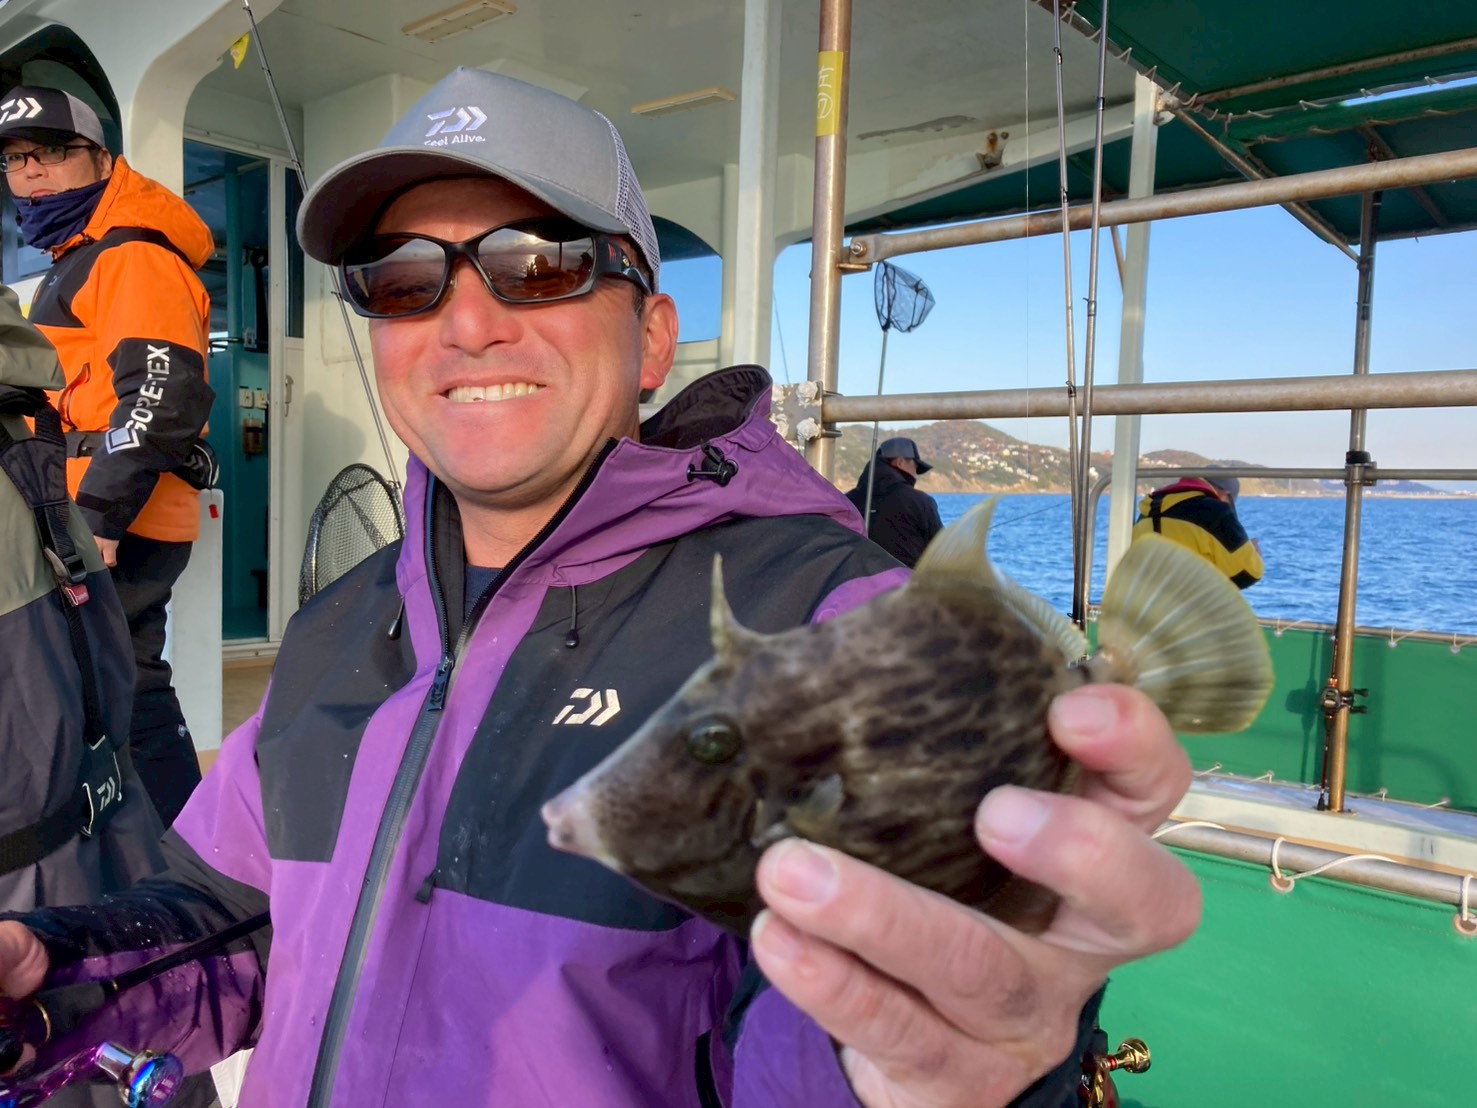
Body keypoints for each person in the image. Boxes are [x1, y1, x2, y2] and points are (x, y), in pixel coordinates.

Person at [0, 68, 1200, 1108]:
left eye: (541, 264)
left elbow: (867, 1024)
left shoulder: (833, 626)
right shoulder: (337, 624)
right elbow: (237, 920)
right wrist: (49, 983)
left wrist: (955, 1069)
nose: (468, 321)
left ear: (654, 337)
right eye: (404, 279)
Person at [0, 85, 216, 826]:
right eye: (15, 159)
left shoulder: (130, 254)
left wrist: (97, 516)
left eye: (53, 151)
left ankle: (184, 849)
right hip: (79, 512)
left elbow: (164, 391)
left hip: (111, 517)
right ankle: (130, 842)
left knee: (126, 683)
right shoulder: (78, 256)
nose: (32, 171)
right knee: (97, 682)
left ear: (101, 159)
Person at [1133, 472, 1263, 589]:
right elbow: (1249, 573)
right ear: (1225, 495)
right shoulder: (1217, 512)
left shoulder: (1148, 511)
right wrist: (1252, 555)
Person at [845, 435, 943, 567]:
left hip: (857, 578)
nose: (915, 474)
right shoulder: (919, 501)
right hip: (906, 578)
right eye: (915, 466)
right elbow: (941, 550)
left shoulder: (847, 501)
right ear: (900, 462)